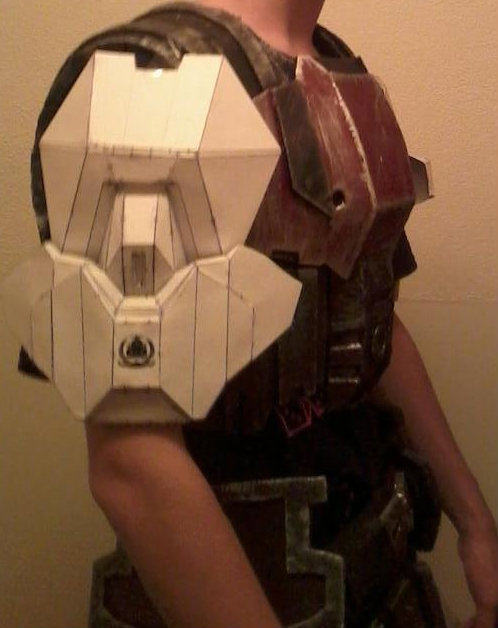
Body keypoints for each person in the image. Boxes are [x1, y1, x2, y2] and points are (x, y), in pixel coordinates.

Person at [9, 1, 498, 627]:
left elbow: (373, 323)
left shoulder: (335, 67)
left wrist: (474, 522)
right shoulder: (151, 74)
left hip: (380, 567)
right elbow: (131, 462)